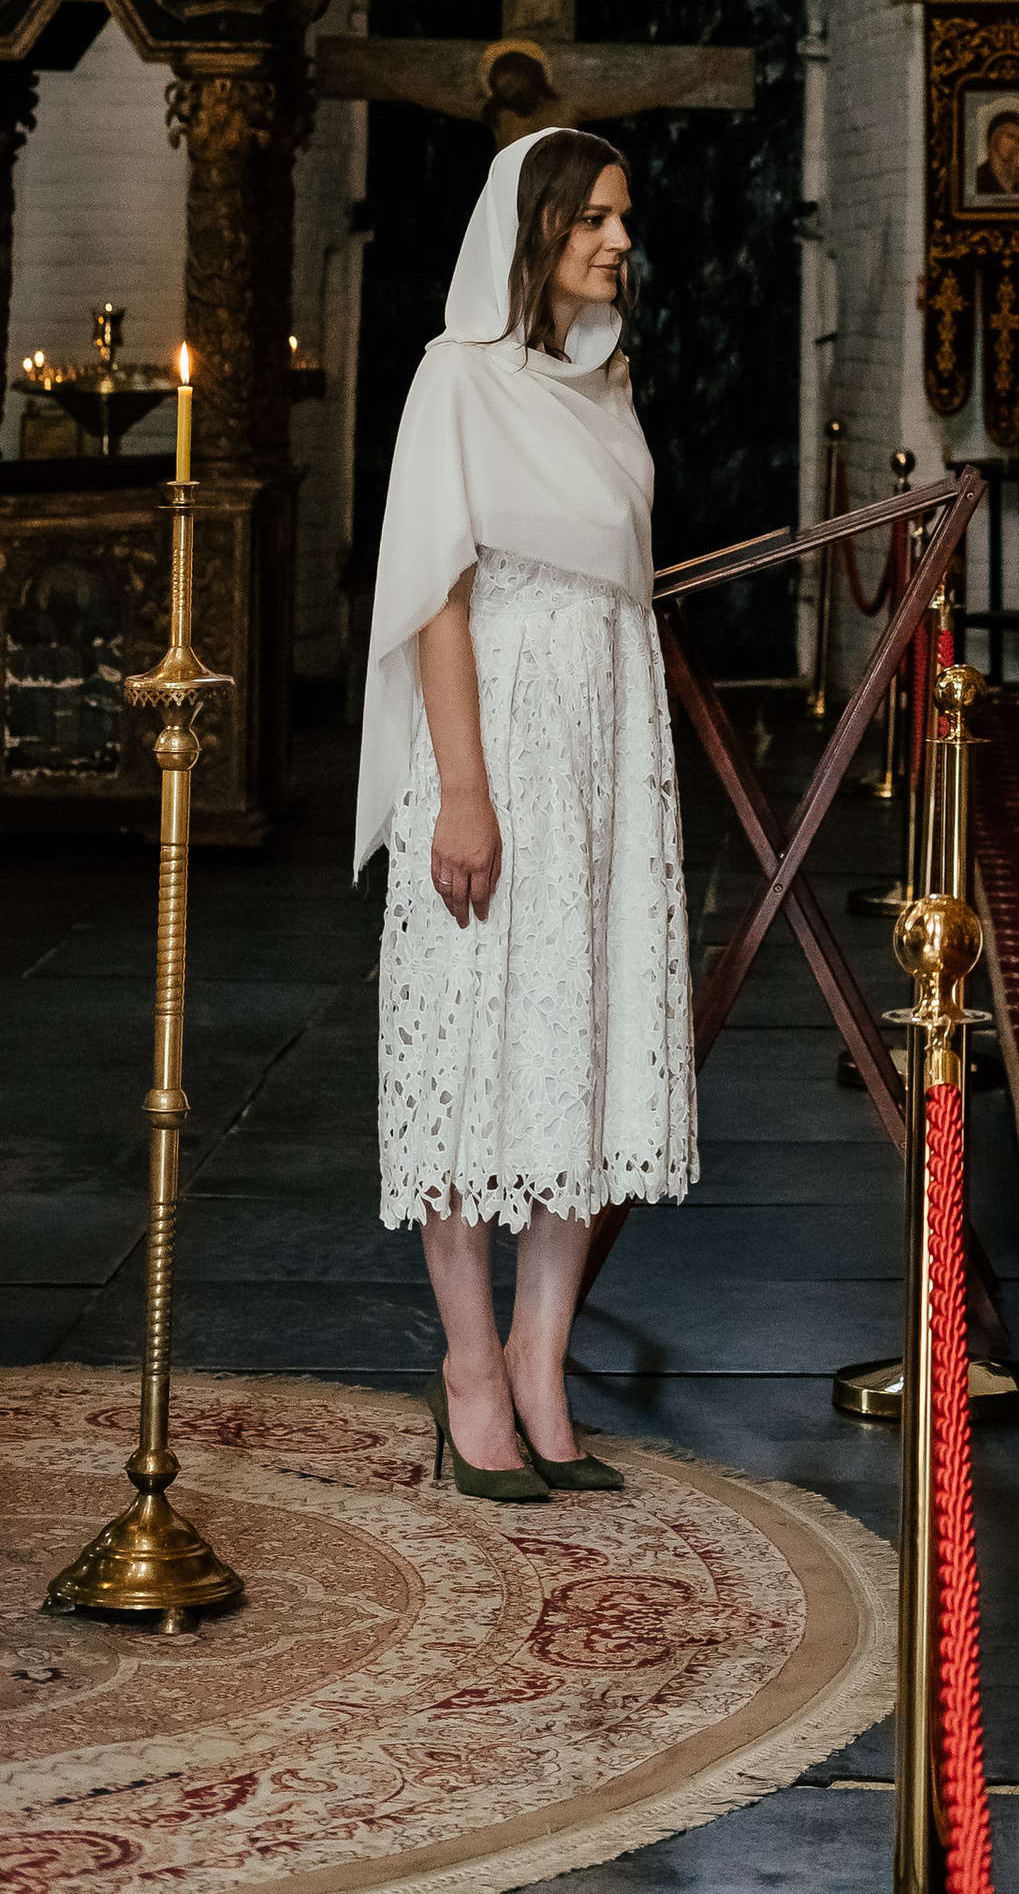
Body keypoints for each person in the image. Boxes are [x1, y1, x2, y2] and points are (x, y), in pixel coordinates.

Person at [356, 128, 696, 1501]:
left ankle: (544, 1359)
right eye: (595, 219)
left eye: (623, 217)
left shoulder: (607, 379)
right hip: (496, 743)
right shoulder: (459, 377)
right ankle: (471, 1369)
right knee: (473, 1048)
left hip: (610, 746)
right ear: (535, 227)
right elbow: (436, 589)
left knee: (580, 1038)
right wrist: (466, 788)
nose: (620, 239)